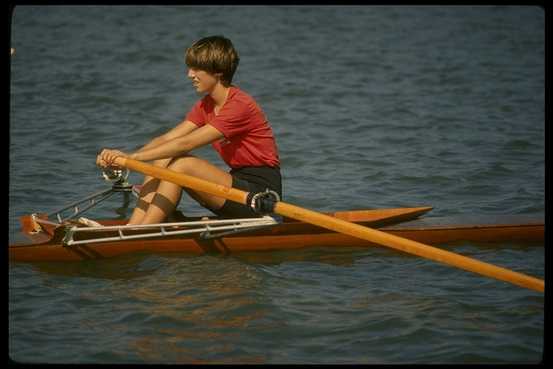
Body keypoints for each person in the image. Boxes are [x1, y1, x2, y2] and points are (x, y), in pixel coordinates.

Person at [96, 35, 282, 225]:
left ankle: (141, 231)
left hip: (261, 196)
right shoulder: (206, 106)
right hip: (234, 186)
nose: (189, 74)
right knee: (162, 156)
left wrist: (131, 160)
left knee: (183, 164)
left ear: (217, 72)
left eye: (196, 69)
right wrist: (125, 157)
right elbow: (167, 139)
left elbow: (186, 143)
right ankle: (134, 226)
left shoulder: (239, 105)